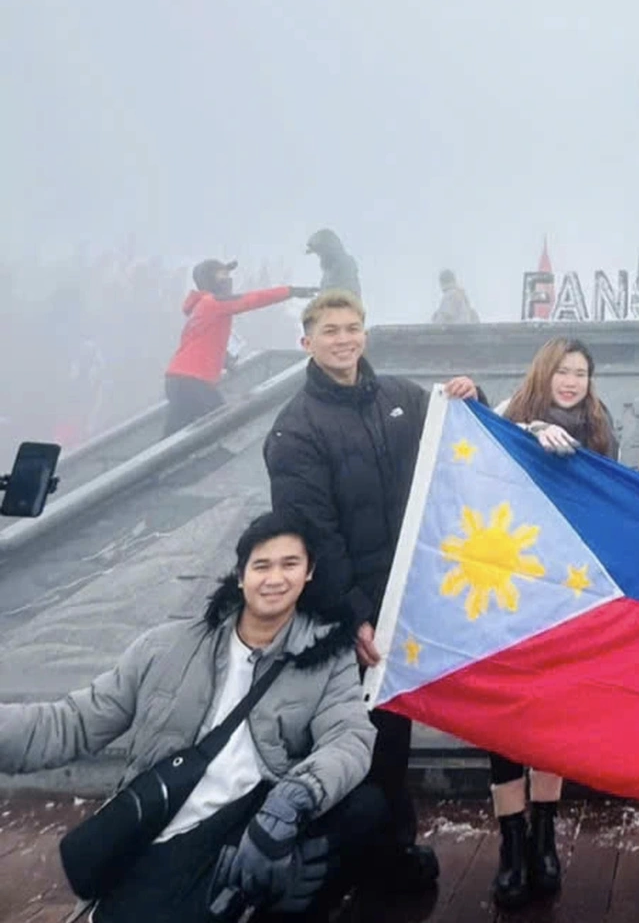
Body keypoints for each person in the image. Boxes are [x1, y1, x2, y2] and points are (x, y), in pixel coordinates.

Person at [0, 512, 380, 923]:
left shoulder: (326, 656)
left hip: (250, 825)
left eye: (290, 564)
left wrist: (292, 799)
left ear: (309, 573)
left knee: (364, 808)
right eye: (262, 565)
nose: (275, 579)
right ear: (240, 575)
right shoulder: (166, 647)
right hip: (164, 820)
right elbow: (73, 721)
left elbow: (349, 737)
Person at [264, 289, 485, 894]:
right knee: (347, 740)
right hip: (346, 614)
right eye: (330, 331)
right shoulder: (295, 429)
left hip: (403, 603)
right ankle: (345, 860)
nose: (344, 339)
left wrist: (473, 397)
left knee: (391, 735)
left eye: (353, 328)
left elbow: (456, 436)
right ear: (307, 342)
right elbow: (312, 535)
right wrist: (356, 616)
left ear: (366, 334)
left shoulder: (402, 399)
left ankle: (390, 849)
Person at [487, 337, 618, 909]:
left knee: (551, 718)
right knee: (502, 726)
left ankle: (544, 837)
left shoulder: (599, 428)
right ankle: (510, 845)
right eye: (563, 371)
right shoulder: (508, 416)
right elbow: (472, 464)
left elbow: (612, 499)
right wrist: (526, 440)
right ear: (545, 371)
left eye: (581, 372)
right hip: (509, 590)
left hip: (566, 596)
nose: (571, 381)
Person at [164, 259, 316, 437]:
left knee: (173, 436)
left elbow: (196, 342)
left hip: (177, 379)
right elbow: (252, 299)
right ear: (209, 280)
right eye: (223, 275)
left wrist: (224, 360)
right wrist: (290, 291)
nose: (228, 279)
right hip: (194, 382)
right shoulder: (214, 302)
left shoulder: (201, 307)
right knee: (226, 428)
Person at [305, 229, 361, 298]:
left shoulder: (343, 264)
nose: (319, 255)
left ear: (326, 248)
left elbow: (342, 291)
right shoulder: (330, 267)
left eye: (319, 251)